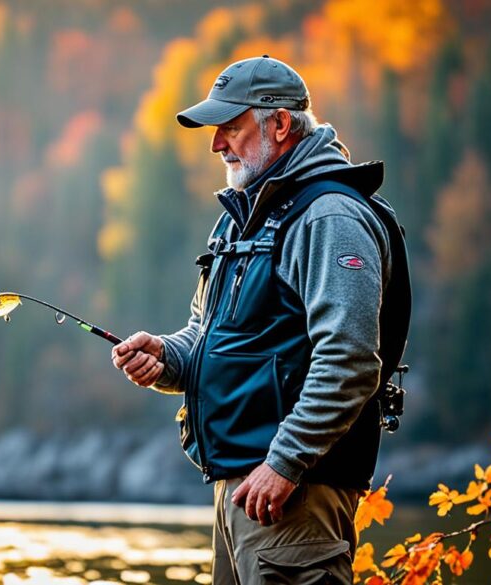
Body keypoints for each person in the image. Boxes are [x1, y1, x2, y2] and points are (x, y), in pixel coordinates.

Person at [110, 55, 409, 585]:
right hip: (246, 493)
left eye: (231, 127)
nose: (216, 144)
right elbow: (206, 333)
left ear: (280, 124)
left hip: (294, 494)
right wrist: (167, 357)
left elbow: (351, 357)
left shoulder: (329, 217)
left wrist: (285, 463)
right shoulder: (241, 220)